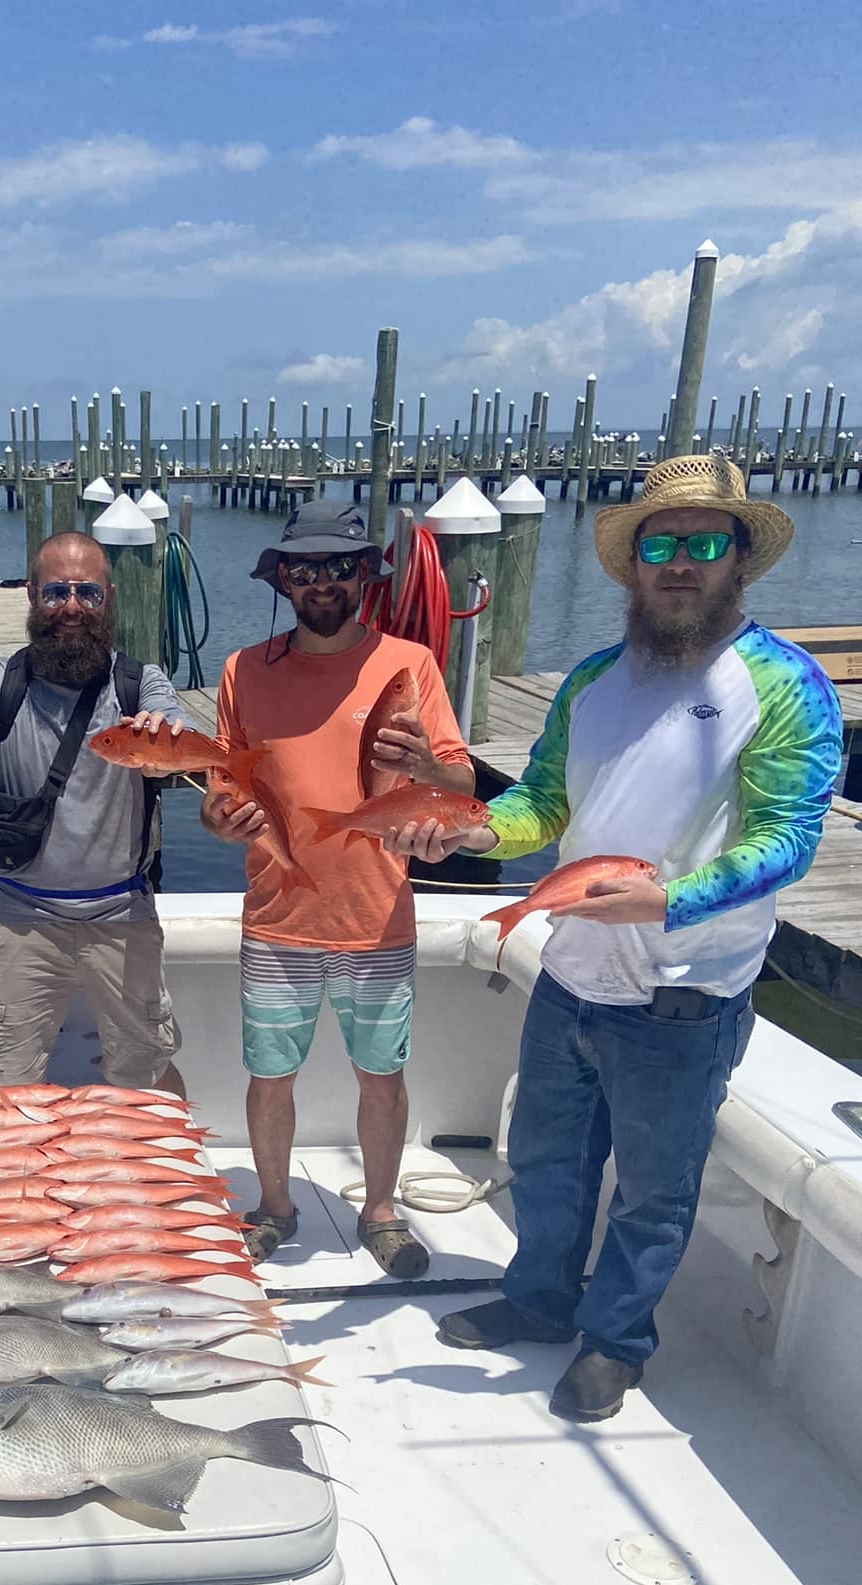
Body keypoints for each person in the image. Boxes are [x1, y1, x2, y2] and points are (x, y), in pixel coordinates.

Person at [389, 455, 842, 1422]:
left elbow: (789, 838)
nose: (681, 563)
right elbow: (543, 806)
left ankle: (617, 1341)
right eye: (662, 544)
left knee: (652, 1191)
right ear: (633, 563)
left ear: (739, 562)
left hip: (686, 996)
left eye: (705, 544)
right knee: (548, 1160)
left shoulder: (783, 683)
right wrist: (474, 826)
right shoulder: (592, 681)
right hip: (571, 977)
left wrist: (670, 901)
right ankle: (542, 1298)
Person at [201, 501, 474, 1274]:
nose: (322, 582)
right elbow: (220, 789)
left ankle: (380, 1211)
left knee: (381, 1074)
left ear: (365, 574)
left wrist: (426, 764)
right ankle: (275, 1205)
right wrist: (219, 818)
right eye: (305, 568)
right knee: (269, 1074)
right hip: (278, 915)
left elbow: (459, 778)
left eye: (339, 567)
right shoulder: (241, 670)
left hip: (378, 915)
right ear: (283, 578)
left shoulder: (411, 664)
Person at [0, 530, 188, 1091]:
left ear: (108, 597)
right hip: (23, 919)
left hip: (123, 918)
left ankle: (151, 1174)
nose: (71, 608)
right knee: (6, 1079)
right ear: (31, 595)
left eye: (86, 593)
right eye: (55, 592)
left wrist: (165, 741)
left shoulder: (140, 682)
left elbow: (173, 726)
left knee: (145, 1076)